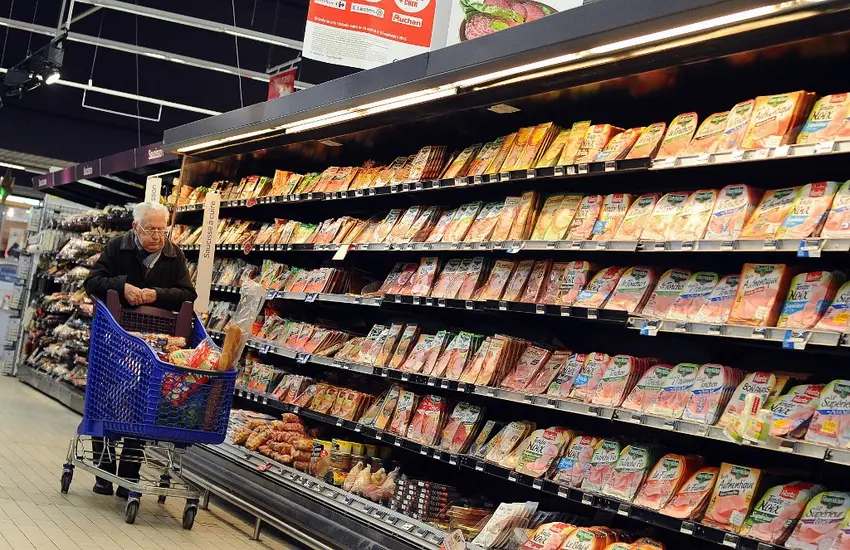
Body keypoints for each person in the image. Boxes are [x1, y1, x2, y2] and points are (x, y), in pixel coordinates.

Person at [83, 201, 197, 498]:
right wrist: (122, 287)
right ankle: (104, 471)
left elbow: (188, 294)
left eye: (162, 229)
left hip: (153, 345)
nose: (157, 236)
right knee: (106, 401)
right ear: (136, 227)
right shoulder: (116, 247)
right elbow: (92, 283)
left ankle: (129, 476)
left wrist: (156, 294)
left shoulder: (174, 255)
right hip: (115, 340)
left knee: (141, 405)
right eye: (150, 229)